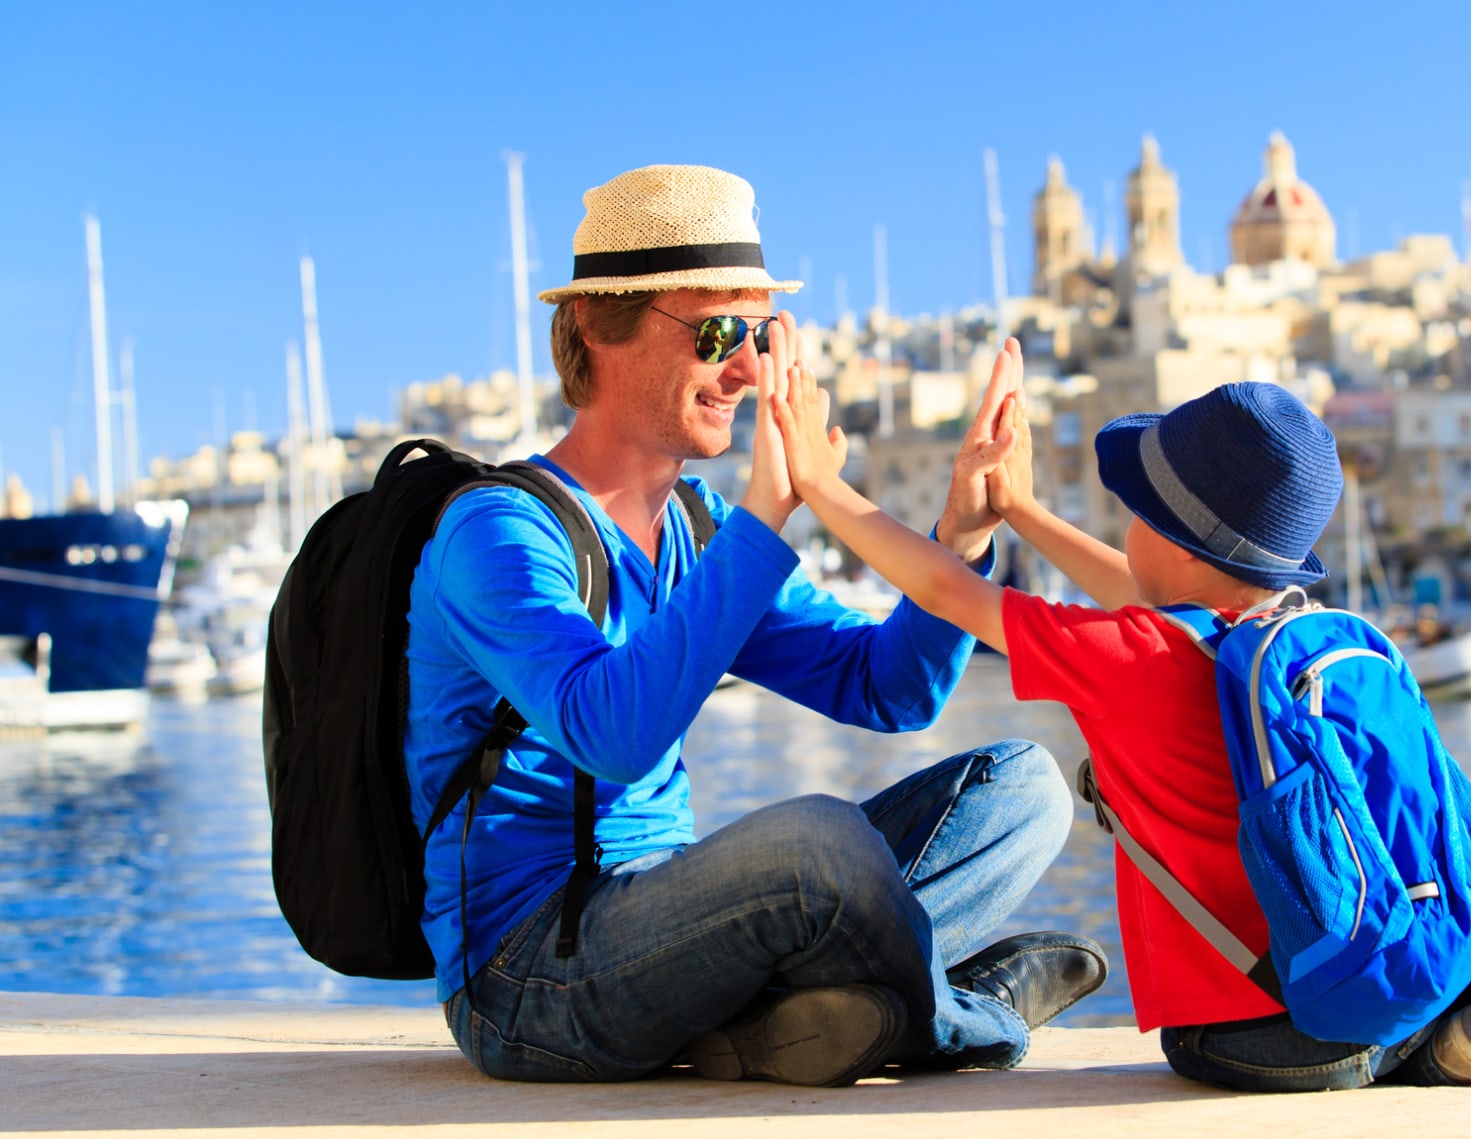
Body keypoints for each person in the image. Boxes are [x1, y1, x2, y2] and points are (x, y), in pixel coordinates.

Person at [768, 345, 1471, 1092]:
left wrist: (817, 481)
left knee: (1205, 1052)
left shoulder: (1124, 657)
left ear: (1169, 536)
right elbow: (1144, 591)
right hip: (1364, 960)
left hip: (1244, 1022)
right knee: (1379, 996)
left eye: (1135, 512)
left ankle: (1434, 1049)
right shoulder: (1269, 638)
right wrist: (1019, 509)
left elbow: (943, 585)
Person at [404, 164, 1106, 1089]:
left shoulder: (695, 530)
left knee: (1025, 786)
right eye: (718, 331)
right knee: (816, 845)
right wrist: (769, 513)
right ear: (596, 325)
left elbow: (885, 688)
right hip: (531, 978)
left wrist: (960, 537)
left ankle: (789, 1024)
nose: (747, 369)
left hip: (671, 926)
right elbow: (611, 735)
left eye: (762, 335)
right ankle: (964, 1014)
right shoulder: (497, 531)